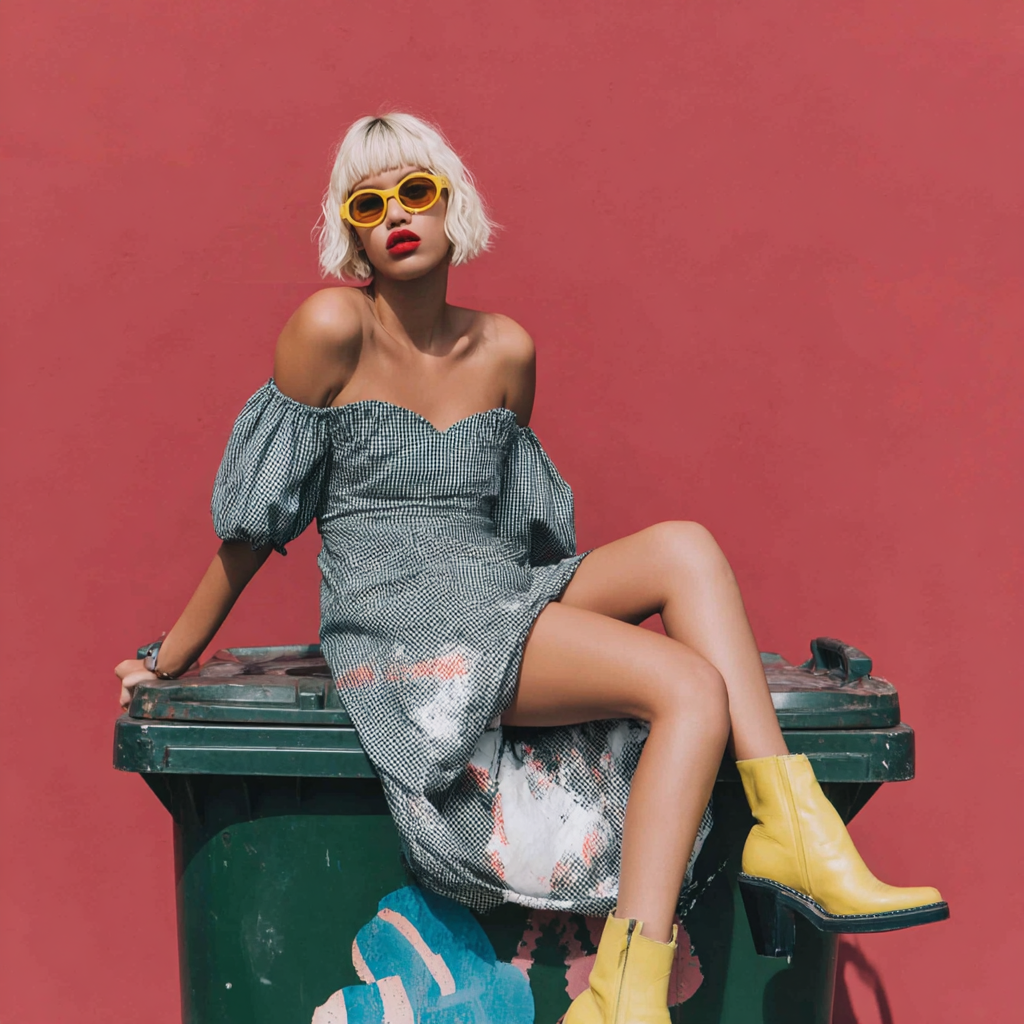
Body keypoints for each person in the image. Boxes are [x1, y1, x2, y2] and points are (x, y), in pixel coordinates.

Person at [115, 112, 946, 1023]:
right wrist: (170, 657)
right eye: (368, 204)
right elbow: (252, 526)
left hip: (495, 591)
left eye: (416, 192)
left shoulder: (507, 350)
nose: (397, 216)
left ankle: (796, 833)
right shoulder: (330, 326)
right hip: (401, 622)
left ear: (452, 205)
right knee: (688, 689)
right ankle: (630, 992)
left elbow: (523, 541)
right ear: (349, 231)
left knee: (687, 547)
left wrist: (567, 634)